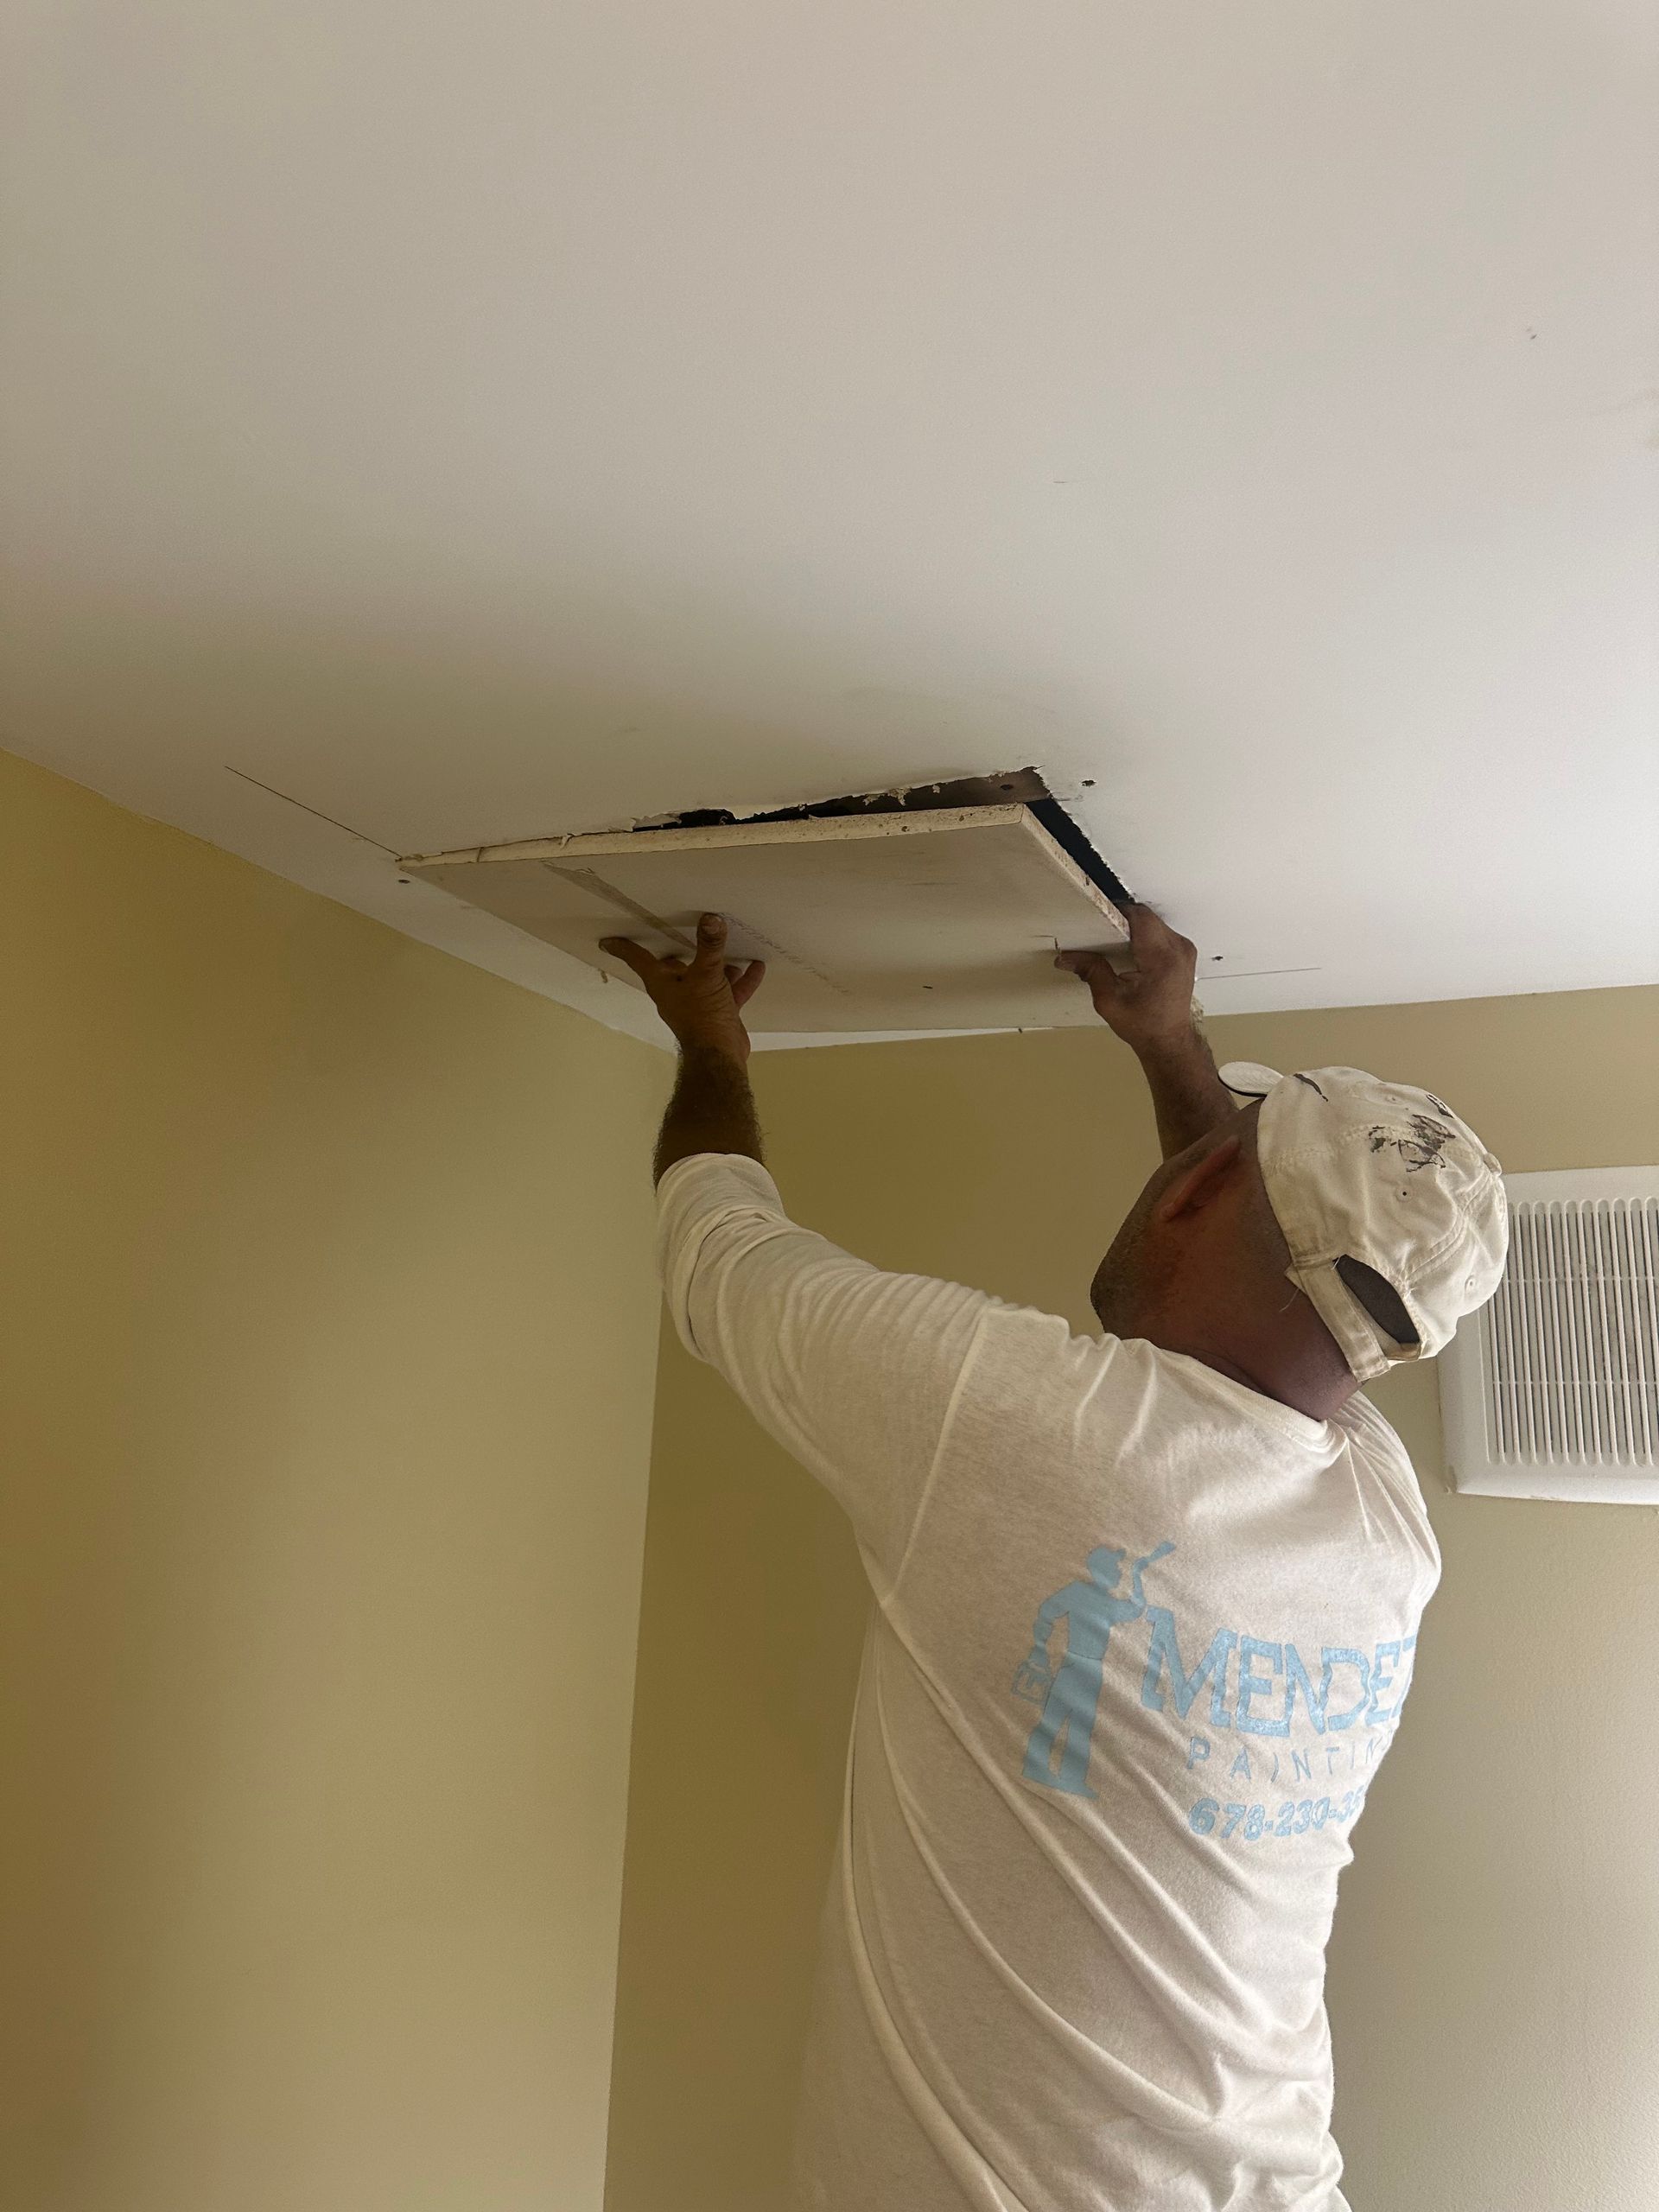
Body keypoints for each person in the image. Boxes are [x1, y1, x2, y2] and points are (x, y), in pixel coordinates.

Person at [599, 904, 1510, 2212]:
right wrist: (1168, 1044)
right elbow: (1286, 1258)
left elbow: (720, 1250)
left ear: (1198, 1187)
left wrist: (710, 1046)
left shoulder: (1027, 1427)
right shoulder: (1378, 1516)